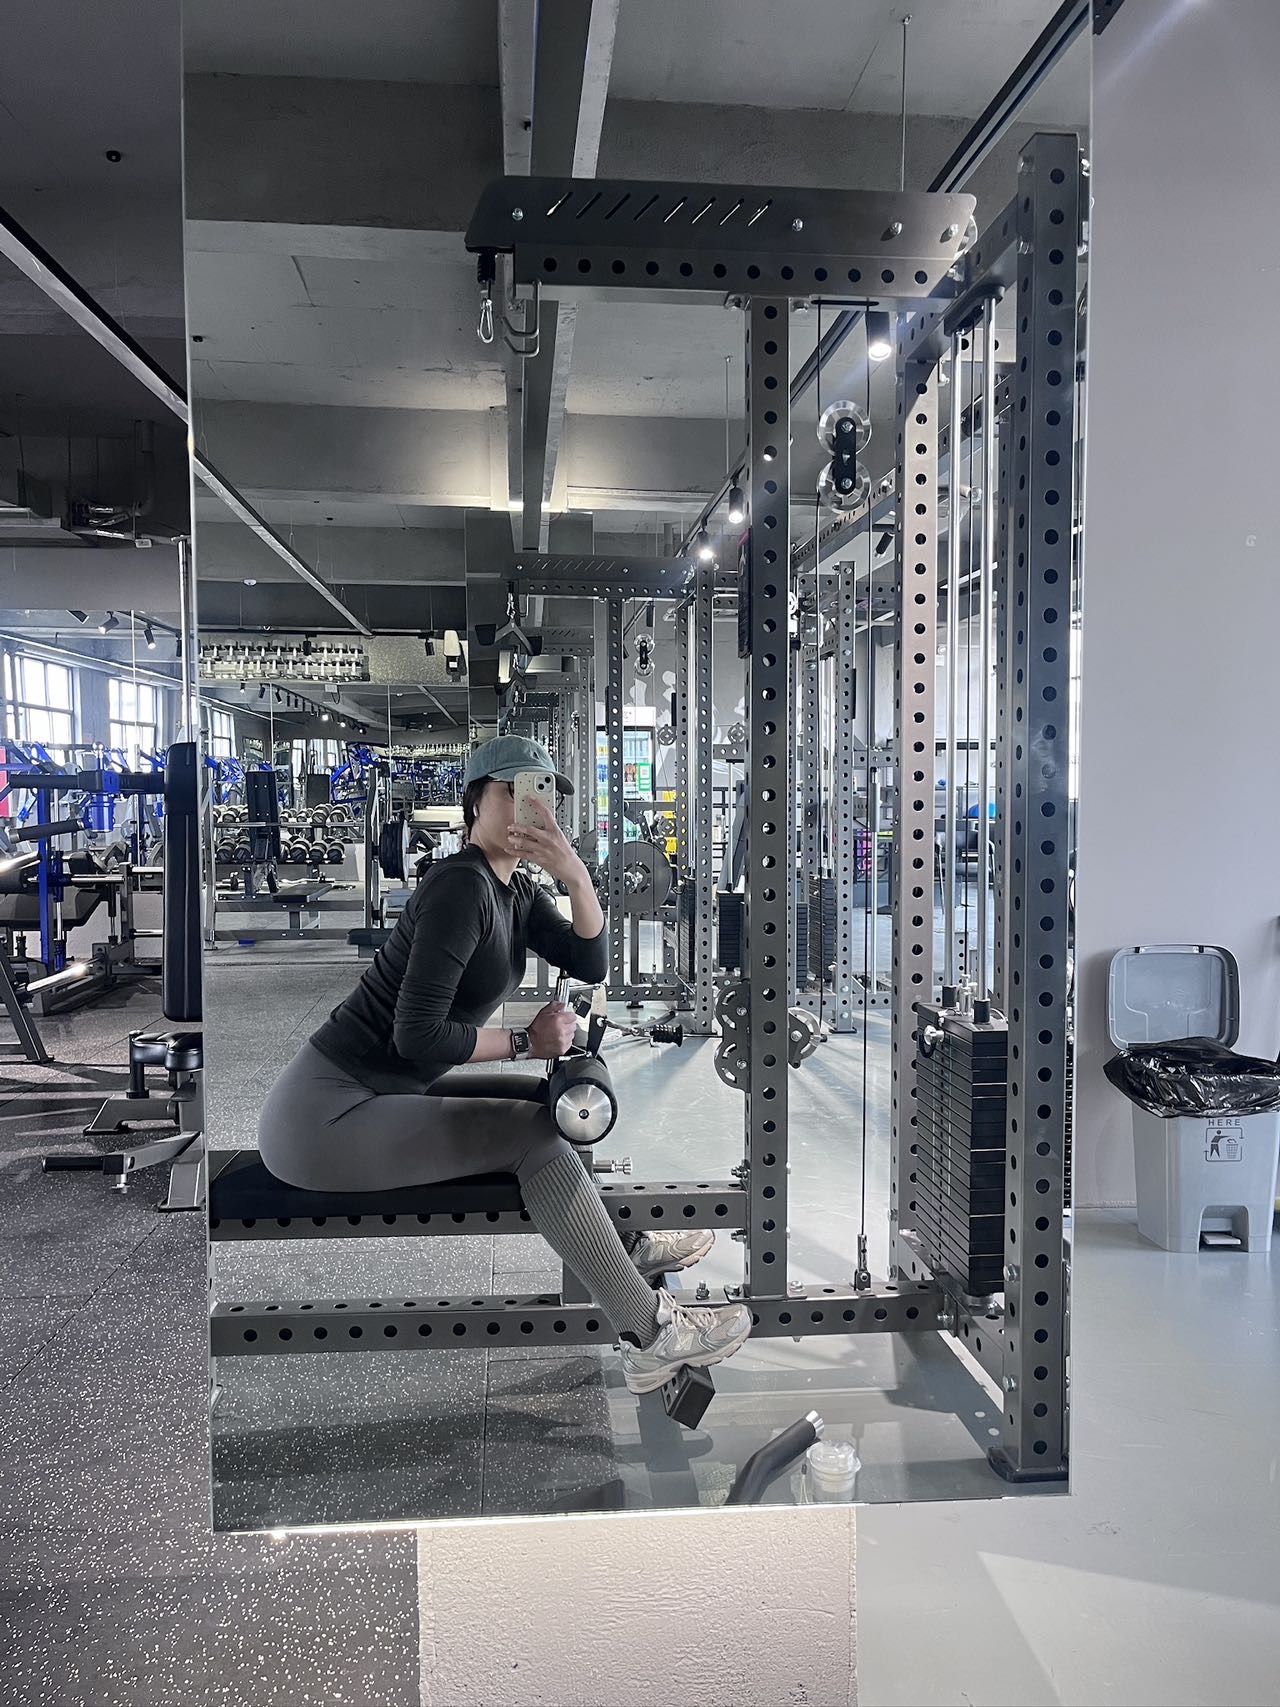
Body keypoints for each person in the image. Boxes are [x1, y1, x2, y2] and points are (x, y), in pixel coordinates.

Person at [259, 735, 752, 1394]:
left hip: (375, 1094)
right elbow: (418, 1036)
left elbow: (590, 960)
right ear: (475, 802)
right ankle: (650, 1336)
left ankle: (622, 1247)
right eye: (514, 792)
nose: (532, 809)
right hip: (323, 1120)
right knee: (530, 1135)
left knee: (541, 1106)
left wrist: (575, 875)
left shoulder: (513, 888)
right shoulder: (461, 887)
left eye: (543, 794)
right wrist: (526, 1041)